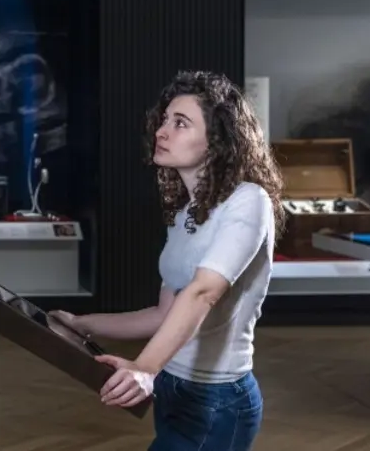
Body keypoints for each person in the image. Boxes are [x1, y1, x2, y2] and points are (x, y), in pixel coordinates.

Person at [52, 70, 283, 451]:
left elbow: (203, 293)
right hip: (173, 384)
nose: (161, 131)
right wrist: (81, 324)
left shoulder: (249, 200)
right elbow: (164, 315)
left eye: (180, 123)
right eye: (164, 121)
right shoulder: (184, 215)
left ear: (218, 140)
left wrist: (144, 368)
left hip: (218, 398)